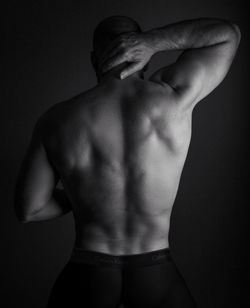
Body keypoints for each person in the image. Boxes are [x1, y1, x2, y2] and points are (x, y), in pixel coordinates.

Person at [14, 15, 240, 308]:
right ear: (143, 59)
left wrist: (81, 191)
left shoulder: (56, 119)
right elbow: (227, 34)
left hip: (88, 272)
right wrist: (153, 42)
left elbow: (29, 209)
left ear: (94, 59)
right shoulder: (175, 97)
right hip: (155, 270)